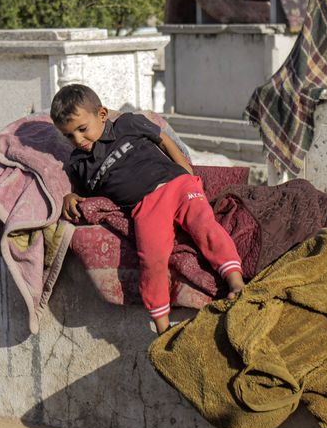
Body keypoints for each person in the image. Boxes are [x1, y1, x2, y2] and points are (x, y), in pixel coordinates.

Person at [50, 83, 244, 333]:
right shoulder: (79, 163)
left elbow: (162, 138)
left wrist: (184, 168)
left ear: (101, 115)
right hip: (145, 207)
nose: (78, 140)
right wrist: (70, 196)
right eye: (68, 135)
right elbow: (82, 193)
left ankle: (236, 283)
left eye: (82, 129)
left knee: (204, 226)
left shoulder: (127, 124)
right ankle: (163, 328)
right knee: (152, 258)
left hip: (177, 185)